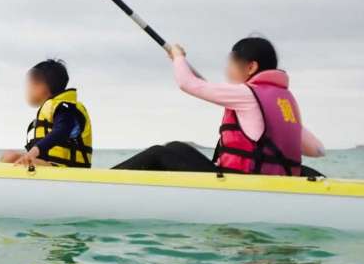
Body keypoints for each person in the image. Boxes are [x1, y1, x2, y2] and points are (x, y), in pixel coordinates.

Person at [113, 37, 324, 175]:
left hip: (242, 184)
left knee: (162, 152)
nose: (227, 69)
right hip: (271, 181)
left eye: (231, 63)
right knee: (176, 147)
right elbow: (317, 150)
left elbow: (188, 83)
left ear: (251, 67)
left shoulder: (246, 93)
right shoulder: (284, 102)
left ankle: (100, 182)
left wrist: (178, 57)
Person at [0, 59, 93, 168]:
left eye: (30, 85)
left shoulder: (66, 109)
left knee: (10, 157)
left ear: (41, 86)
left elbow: (62, 131)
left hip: (69, 171)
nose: (28, 90)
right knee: (11, 156)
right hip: (52, 168)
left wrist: (34, 151)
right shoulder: (51, 109)